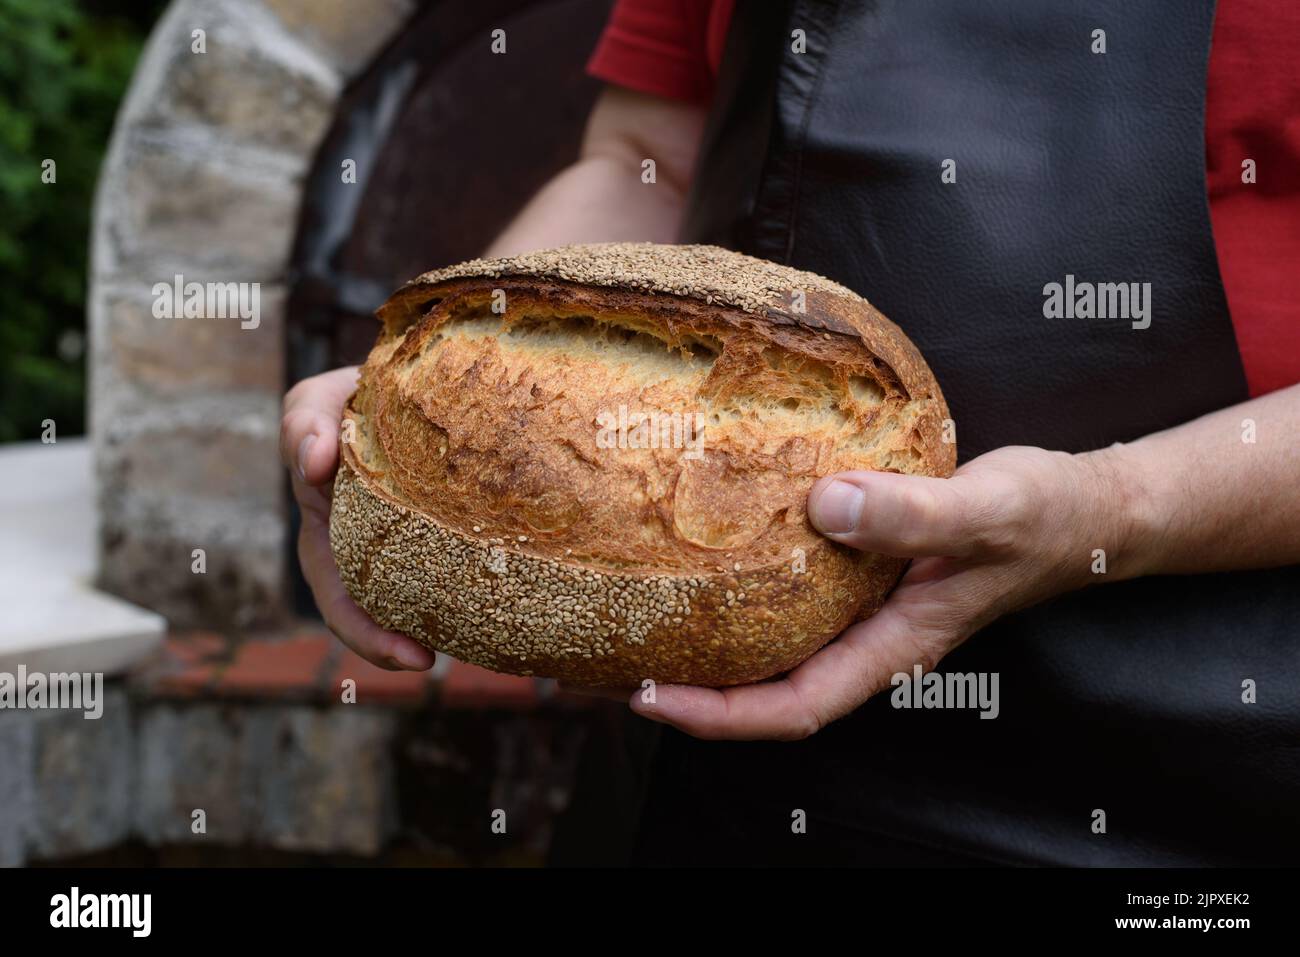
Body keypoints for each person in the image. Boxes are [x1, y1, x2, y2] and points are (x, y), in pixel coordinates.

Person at [280, 0, 1300, 865]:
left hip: (1194, 762)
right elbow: (642, 157)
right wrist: (436, 398)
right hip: (721, 736)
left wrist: (1110, 508)